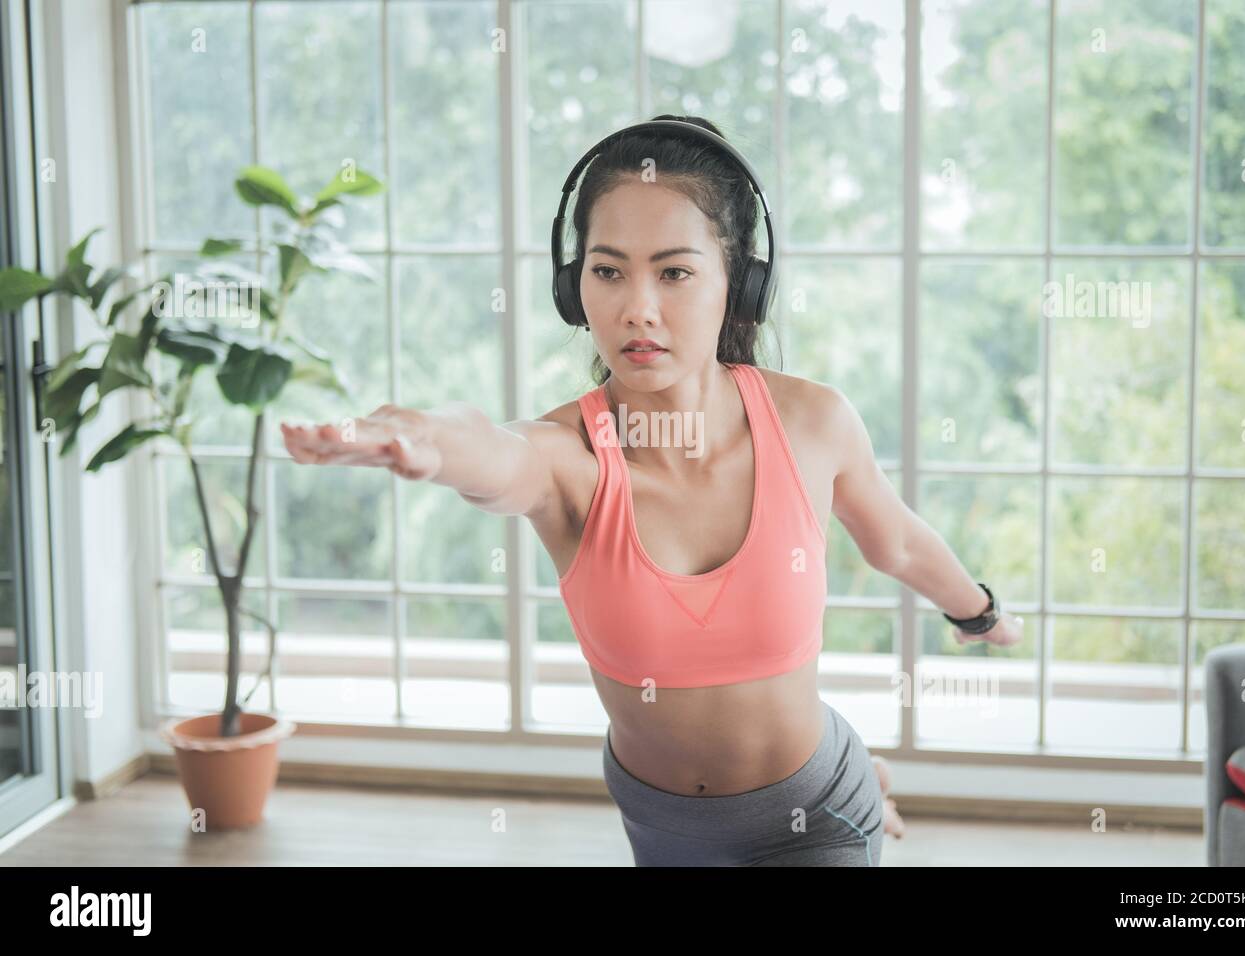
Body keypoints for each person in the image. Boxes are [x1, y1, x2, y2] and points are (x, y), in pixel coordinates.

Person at [280, 114, 1023, 866]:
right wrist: (427, 440)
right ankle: (871, 780)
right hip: (661, 825)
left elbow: (895, 539)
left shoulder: (812, 423)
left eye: (674, 272)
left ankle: (861, 786)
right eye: (608, 271)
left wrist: (981, 611)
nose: (638, 307)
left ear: (740, 281)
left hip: (811, 811)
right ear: (575, 289)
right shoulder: (572, 459)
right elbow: (493, 451)